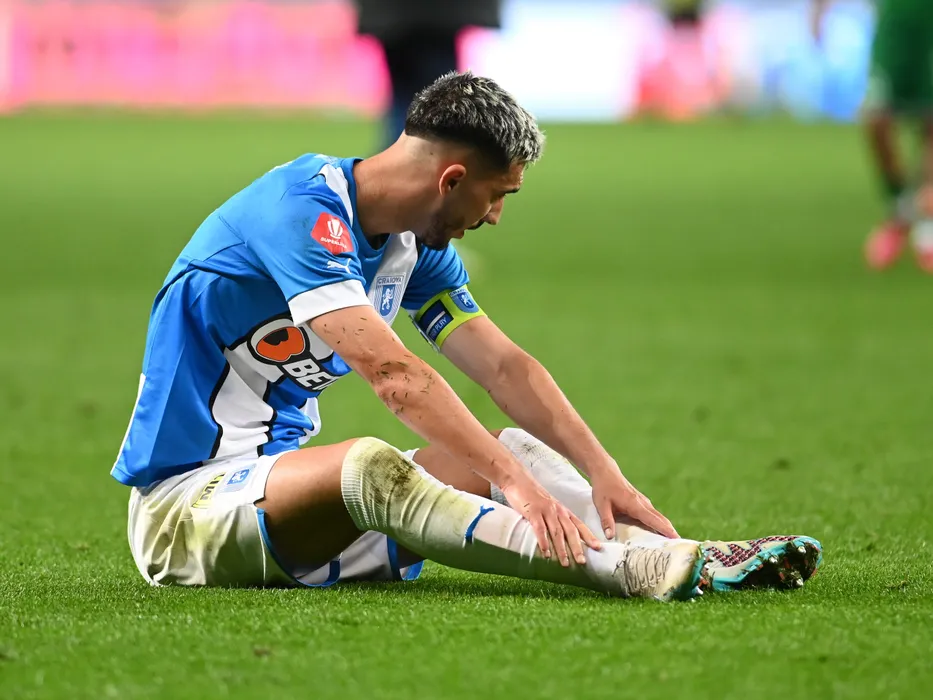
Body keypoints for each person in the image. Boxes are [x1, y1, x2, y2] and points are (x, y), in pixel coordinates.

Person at [112, 72, 822, 600]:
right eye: (498, 194)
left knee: (511, 451)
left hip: (296, 515)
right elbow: (394, 376)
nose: (495, 217)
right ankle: (627, 570)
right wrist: (516, 487)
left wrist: (603, 472)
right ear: (452, 178)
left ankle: (689, 554)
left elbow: (505, 367)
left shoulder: (409, 245)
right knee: (372, 465)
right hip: (187, 512)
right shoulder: (297, 212)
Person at [813, 0, 933, 271]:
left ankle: (927, 225)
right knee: (877, 118)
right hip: (893, 27)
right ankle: (901, 207)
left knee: (930, 121)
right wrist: (819, 9)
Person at [353, 0, 501, 149]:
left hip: (396, 15)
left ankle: (406, 152)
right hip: (439, 16)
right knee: (437, 105)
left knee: (413, 104)